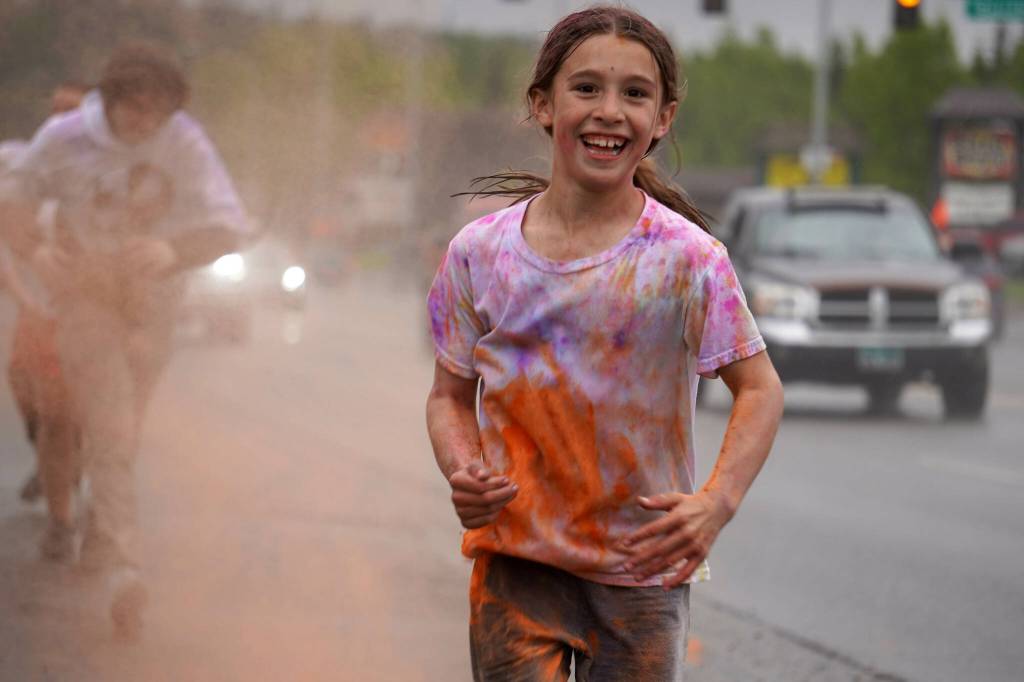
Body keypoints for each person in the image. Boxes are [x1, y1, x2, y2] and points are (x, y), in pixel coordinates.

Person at [425, 7, 784, 680]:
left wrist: (716, 503)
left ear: (663, 117)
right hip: (515, 565)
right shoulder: (479, 252)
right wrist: (463, 468)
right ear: (543, 104)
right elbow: (448, 394)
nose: (609, 111)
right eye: (586, 87)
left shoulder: (689, 259)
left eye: (635, 93)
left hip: (643, 574)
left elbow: (760, 389)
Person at [0, 43, 251, 640]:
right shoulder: (65, 137)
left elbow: (229, 224)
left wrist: (172, 250)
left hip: (151, 299)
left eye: (157, 112)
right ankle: (125, 567)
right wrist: (36, 250)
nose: (145, 123)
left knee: (126, 424)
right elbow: (11, 199)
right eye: (135, 109)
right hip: (85, 295)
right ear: (109, 101)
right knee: (110, 421)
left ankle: (102, 525)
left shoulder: (183, 141)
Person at [2, 81, 88, 510]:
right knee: (22, 383)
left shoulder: (101, 169)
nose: (61, 118)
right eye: (56, 110)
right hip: (35, 302)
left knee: (67, 402)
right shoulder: (20, 162)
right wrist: (23, 297)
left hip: (84, 307)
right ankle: (49, 458)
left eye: (71, 111)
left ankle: (66, 469)